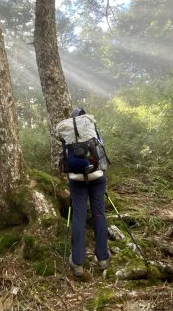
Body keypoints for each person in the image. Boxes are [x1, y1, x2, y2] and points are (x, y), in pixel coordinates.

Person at [58, 107, 110, 277]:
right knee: (99, 215)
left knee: (78, 217)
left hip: (76, 180)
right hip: (97, 177)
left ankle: (78, 262)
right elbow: (101, 150)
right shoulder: (92, 128)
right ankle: (103, 259)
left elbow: (64, 157)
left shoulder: (67, 134)